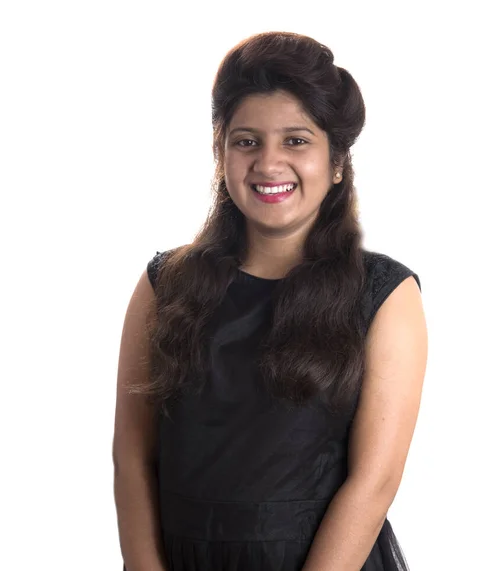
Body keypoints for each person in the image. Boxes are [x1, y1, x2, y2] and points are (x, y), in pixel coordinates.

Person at [112, 31, 428, 571]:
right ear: (221, 153)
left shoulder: (384, 295)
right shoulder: (164, 283)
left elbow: (373, 483)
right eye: (246, 141)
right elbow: (132, 455)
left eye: (297, 141)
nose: (269, 162)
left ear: (336, 162)